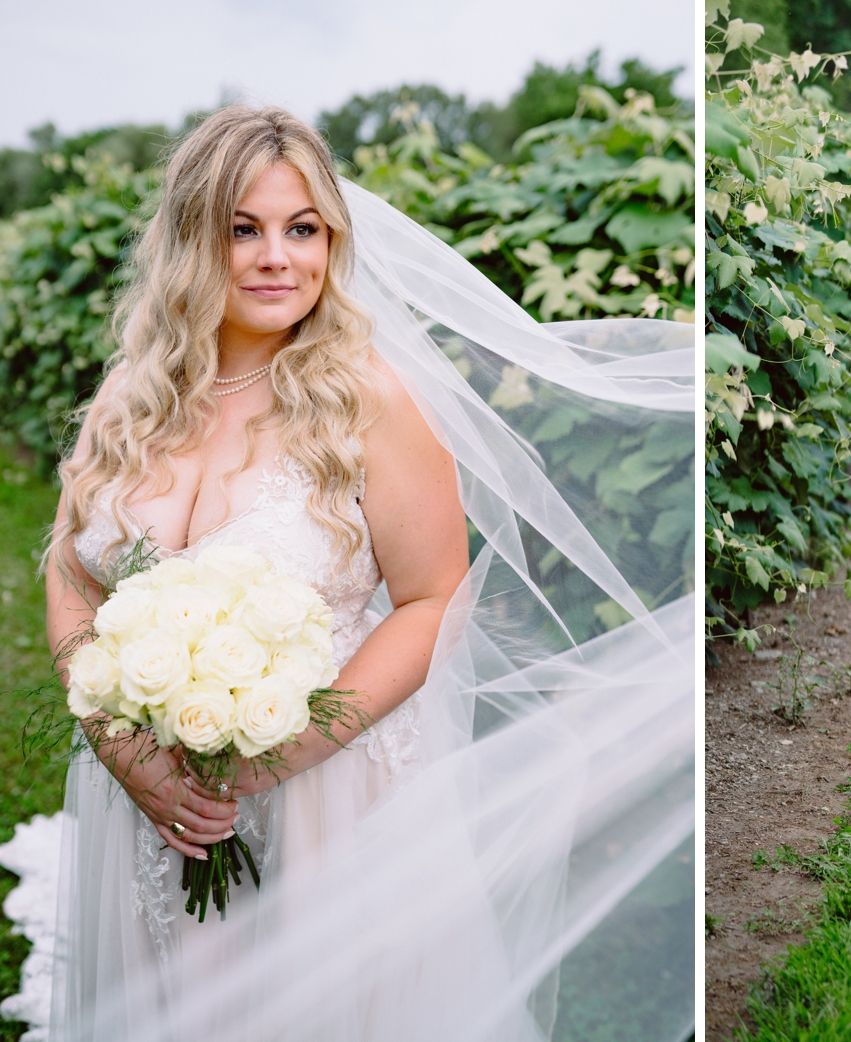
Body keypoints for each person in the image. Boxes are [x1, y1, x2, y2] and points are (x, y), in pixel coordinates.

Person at [44, 106, 695, 1039]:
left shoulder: (368, 400)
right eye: (243, 229)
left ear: (332, 240)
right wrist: (119, 742)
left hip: (324, 798)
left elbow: (435, 599)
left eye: (302, 229)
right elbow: (72, 573)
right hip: (148, 797)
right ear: (192, 238)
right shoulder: (131, 396)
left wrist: (288, 748)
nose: (277, 257)